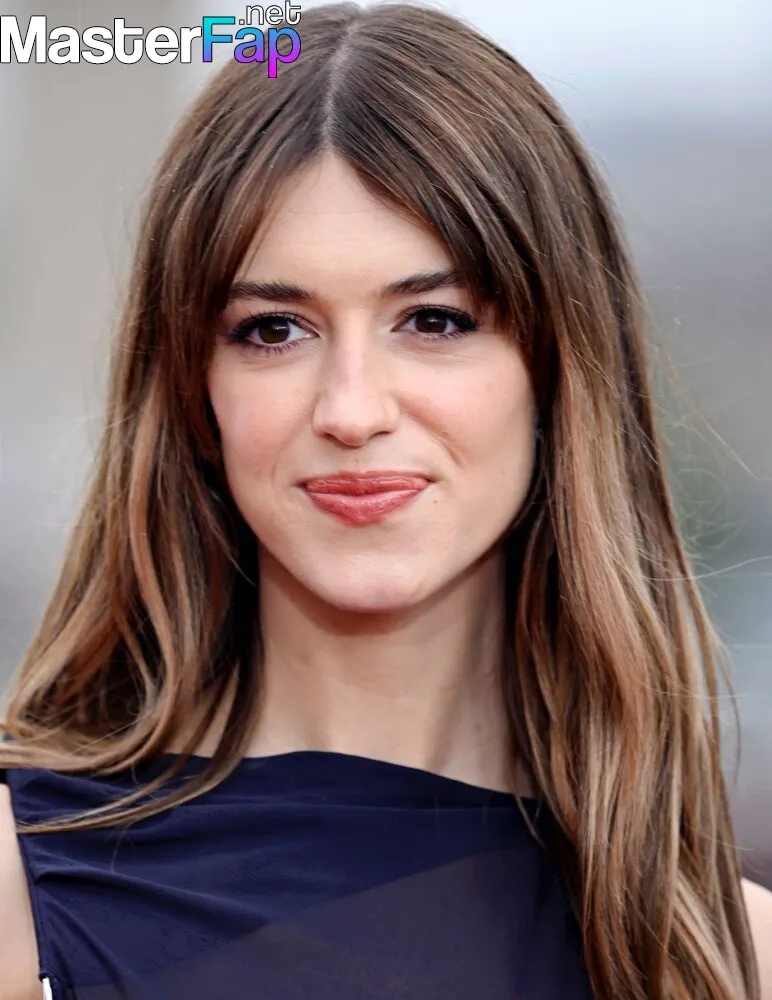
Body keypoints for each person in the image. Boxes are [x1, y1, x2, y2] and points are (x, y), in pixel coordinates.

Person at [0, 2, 770, 998]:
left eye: (435, 320)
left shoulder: (727, 960)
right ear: (194, 389)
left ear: (556, 367)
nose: (352, 410)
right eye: (274, 330)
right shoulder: (23, 889)